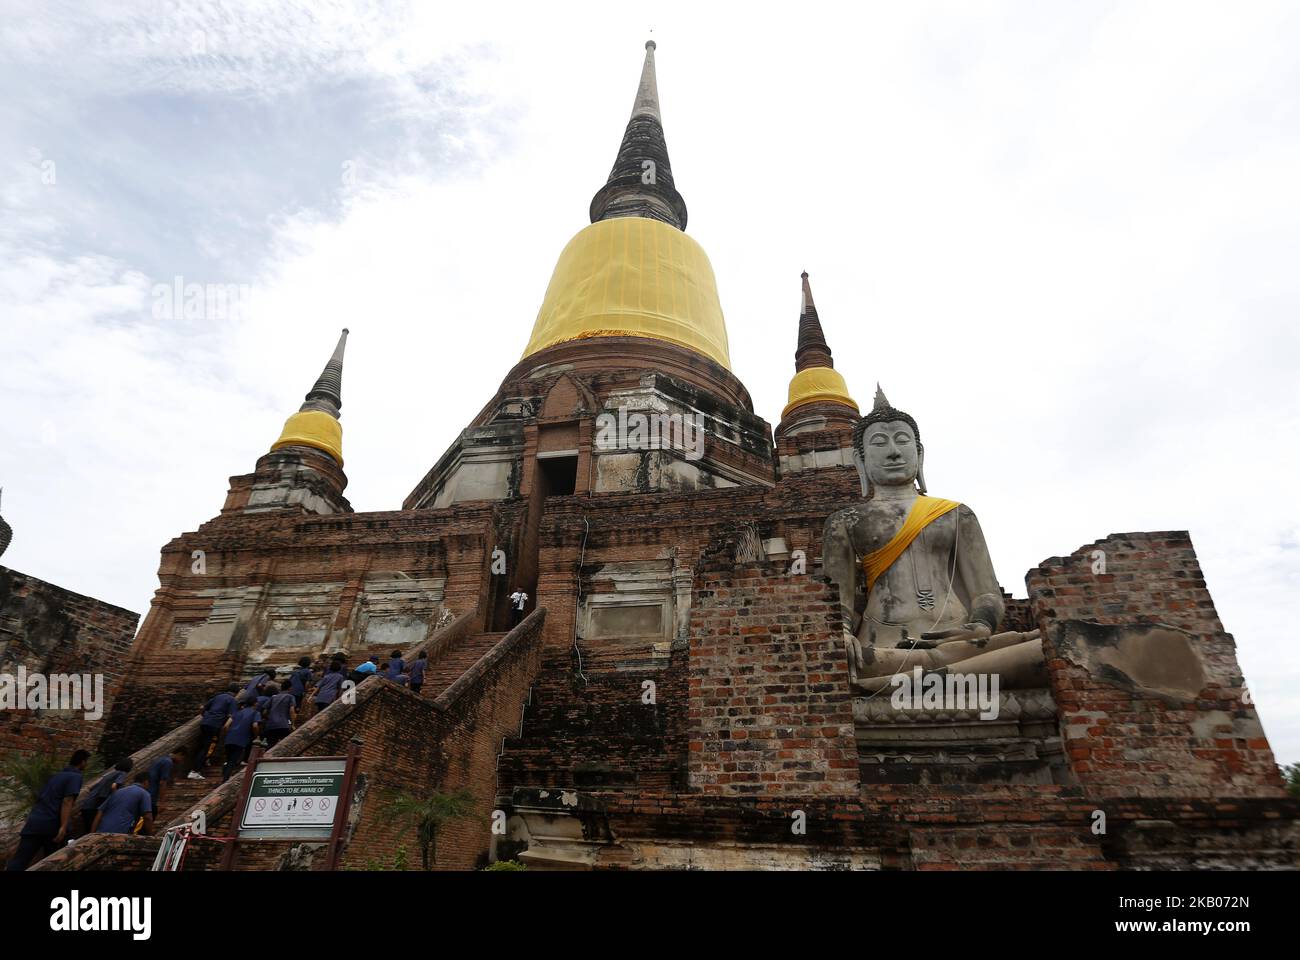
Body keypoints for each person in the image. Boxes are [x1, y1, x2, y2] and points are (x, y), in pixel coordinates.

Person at [5, 749, 89, 871]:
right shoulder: (75, 776)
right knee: (52, 861)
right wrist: (63, 827)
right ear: (82, 762)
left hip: (34, 822)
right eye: (86, 762)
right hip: (51, 824)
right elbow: (67, 801)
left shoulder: (57, 776)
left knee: (20, 860)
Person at [191, 683, 240, 778]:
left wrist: (205, 716)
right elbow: (231, 717)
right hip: (215, 725)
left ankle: (204, 762)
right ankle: (195, 770)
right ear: (236, 693)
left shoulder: (218, 697)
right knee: (207, 747)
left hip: (205, 723)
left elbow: (202, 708)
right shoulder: (232, 700)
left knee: (203, 745)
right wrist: (225, 728)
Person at [80, 758, 132, 836]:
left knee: (86, 831)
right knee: (91, 833)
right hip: (93, 807)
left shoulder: (110, 774)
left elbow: (91, 788)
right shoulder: (122, 773)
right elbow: (114, 786)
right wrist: (115, 798)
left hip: (87, 805)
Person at [93, 771, 154, 836]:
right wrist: (150, 836)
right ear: (146, 782)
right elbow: (148, 818)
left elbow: (100, 812)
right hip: (120, 833)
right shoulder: (144, 793)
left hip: (101, 831)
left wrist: (92, 834)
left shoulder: (118, 792)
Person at [221, 699, 261, 782]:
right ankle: (225, 780)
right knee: (233, 760)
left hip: (229, 738)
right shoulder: (255, 713)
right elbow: (255, 726)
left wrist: (226, 736)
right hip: (241, 739)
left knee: (228, 759)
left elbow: (226, 726)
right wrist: (256, 736)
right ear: (255, 704)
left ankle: (225, 773)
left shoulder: (236, 712)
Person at [146, 751, 185, 818]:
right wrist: (162, 803)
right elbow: (162, 783)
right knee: (149, 815)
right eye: (182, 758)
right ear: (179, 754)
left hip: (148, 790)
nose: (181, 761)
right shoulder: (168, 762)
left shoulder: (162, 759)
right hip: (151, 792)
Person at [263, 682, 297, 748]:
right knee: (285, 745)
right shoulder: (290, 697)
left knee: (270, 746)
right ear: (290, 688)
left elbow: (264, 712)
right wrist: (292, 724)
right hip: (283, 725)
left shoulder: (273, 697)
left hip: (271, 725)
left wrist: (269, 718)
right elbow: (292, 711)